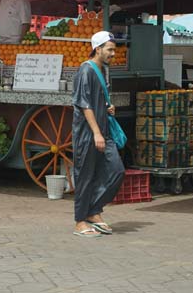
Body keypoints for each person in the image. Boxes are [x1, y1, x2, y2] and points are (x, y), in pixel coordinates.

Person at [71, 31, 125, 237]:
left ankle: (93, 210)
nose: (113, 53)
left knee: (116, 170)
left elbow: (95, 102)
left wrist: (108, 107)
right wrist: (96, 134)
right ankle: (80, 221)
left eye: (114, 50)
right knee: (85, 176)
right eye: (110, 49)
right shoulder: (86, 71)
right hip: (88, 134)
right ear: (98, 49)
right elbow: (84, 104)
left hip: (103, 131)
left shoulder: (101, 71)